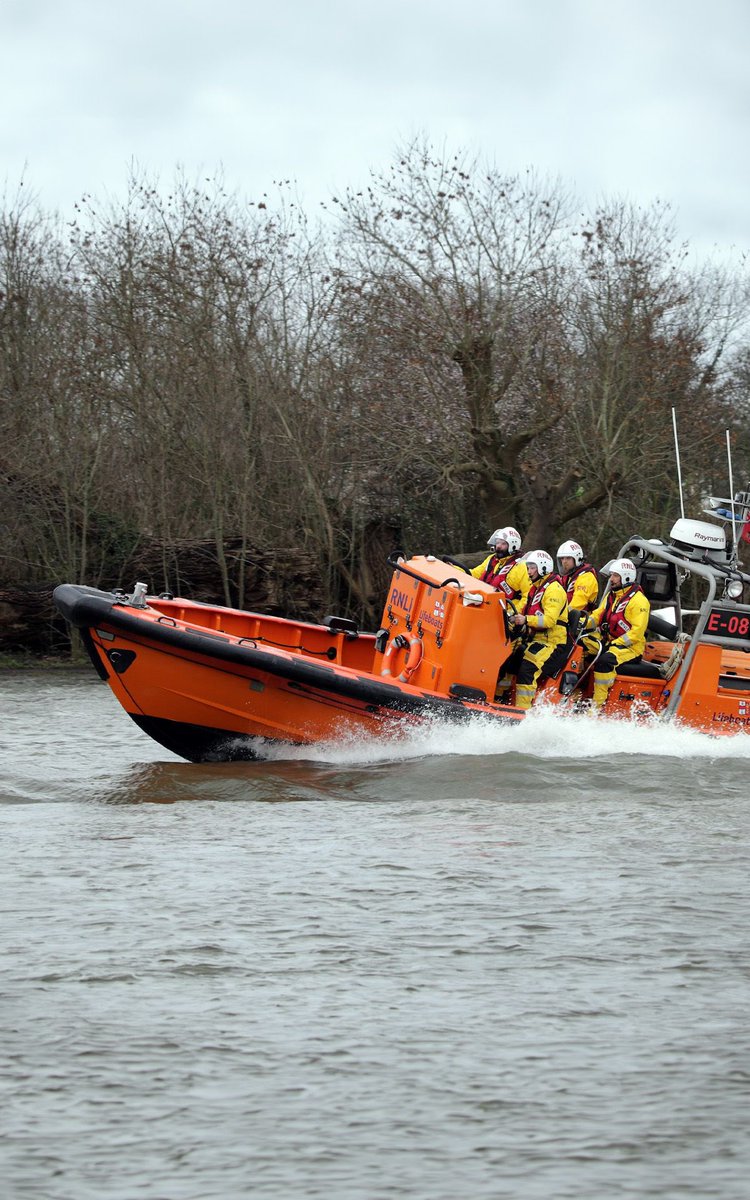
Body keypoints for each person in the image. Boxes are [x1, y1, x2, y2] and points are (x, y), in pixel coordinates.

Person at [500, 549, 569, 709]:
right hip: (536, 640)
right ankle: (499, 699)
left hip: (553, 643)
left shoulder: (554, 590)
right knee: (509, 660)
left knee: (528, 669)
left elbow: (549, 620)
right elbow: (523, 609)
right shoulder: (535, 588)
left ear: (543, 568)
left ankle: (522, 711)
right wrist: (511, 617)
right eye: (528, 568)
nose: (529, 571)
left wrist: (525, 619)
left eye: (532, 568)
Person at [582, 558, 651, 711]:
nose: (611, 579)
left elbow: (636, 633)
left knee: (605, 661)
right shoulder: (611, 596)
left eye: (615, 576)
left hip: (630, 648)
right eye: (611, 575)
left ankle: (597, 707)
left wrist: (615, 643)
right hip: (609, 642)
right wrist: (580, 624)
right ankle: (578, 693)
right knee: (579, 645)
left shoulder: (639, 601)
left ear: (626, 577)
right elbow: (597, 617)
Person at [470, 527, 530, 605]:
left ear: (513, 546)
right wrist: (455, 569)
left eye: (503, 544)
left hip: (505, 609)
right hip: (483, 601)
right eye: (497, 542)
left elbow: (528, 597)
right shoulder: (492, 559)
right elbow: (474, 574)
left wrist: (513, 612)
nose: (498, 546)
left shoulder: (522, 566)